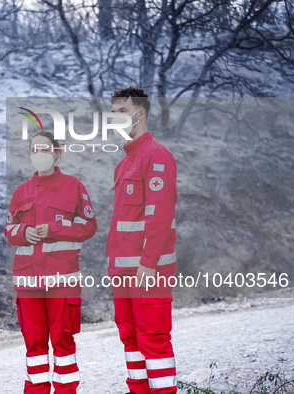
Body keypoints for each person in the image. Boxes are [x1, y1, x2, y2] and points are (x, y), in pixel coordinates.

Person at [5, 131, 98, 394]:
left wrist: (55, 228)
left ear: (57, 153)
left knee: (62, 342)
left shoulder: (74, 186)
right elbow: (9, 227)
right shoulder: (21, 190)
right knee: (33, 346)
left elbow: (89, 226)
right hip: (27, 279)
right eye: (35, 150)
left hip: (63, 278)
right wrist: (23, 233)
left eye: (45, 149)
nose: (39, 155)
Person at [106, 86, 178, 394]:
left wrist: (149, 263)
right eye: (113, 114)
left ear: (140, 113)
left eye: (121, 112)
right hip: (123, 271)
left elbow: (159, 218)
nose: (116, 118)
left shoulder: (156, 155)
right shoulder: (124, 163)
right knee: (130, 337)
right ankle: (138, 390)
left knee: (153, 338)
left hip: (149, 270)